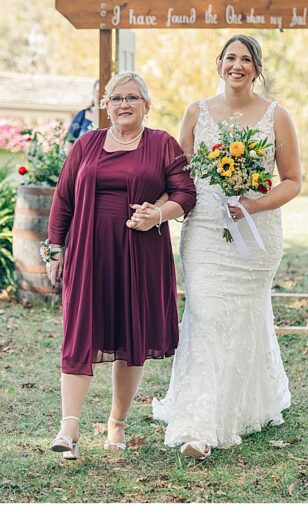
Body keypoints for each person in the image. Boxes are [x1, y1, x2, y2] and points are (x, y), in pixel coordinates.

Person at [152, 33, 302, 461]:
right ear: (219, 64)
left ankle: (237, 408)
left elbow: (292, 181)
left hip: (256, 235)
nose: (238, 65)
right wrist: (157, 209)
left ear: (257, 68)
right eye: (231, 58)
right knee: (207, 313)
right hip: (204, 231)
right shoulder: (196, 112)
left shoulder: (277, 116)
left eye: (247, 59)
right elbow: (179, 176)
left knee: (242, 318)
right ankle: (199, 426)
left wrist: (254, 205)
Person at [45, 72, 195, 459]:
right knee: (79, 331)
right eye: (116, 98)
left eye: (132, 98)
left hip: (139, 253)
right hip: (86, 250)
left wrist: (158, 215)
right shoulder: (87, 143)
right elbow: (63, 199)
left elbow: (186, 192)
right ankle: (70, 426)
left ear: (147, 105)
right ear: (105, 105)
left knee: (130, 336)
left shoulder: (162, 144)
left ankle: (117, 423)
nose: (123, 105)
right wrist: (54, 249)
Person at [65, 79, 99, 145]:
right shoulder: (82, 115)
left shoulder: (113, 118)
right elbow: (69, 140)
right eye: (98, 91)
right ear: (93, 93)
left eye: (104, 92)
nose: (100, 95)